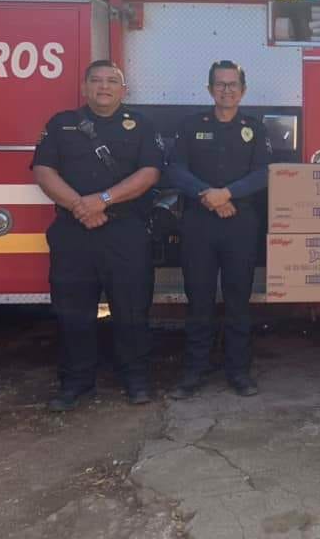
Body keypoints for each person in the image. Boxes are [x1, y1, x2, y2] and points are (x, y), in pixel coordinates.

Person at [31, 60, 162, 411]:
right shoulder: (62, 124)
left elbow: (150, 173)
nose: (104, 86)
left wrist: (102, 200)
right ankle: (76, 382)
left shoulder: (142, 125)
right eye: (97, 80)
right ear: (85, 87)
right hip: (74, 232)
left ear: (124, 89)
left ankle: (135, 380)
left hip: (125, 231)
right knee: (73, 310)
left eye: (112, 81)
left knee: (132, 309)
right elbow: (43, 171)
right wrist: (80, 207)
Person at [167, 60, 273, 399]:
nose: (226, 90)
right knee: (198, 299)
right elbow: (175, 170)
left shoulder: (254, 129)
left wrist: (227, 194)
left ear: (243, 89)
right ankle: (194, 371)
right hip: (199, 222)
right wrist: (208, 196)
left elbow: (263, 173)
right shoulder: (190, 125)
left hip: (241, 223)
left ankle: (238, 371)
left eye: (232, 84)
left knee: (238, 300)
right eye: (220, 84)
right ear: (209, 88)